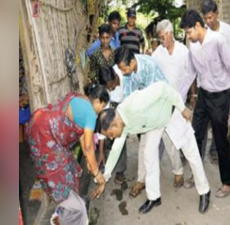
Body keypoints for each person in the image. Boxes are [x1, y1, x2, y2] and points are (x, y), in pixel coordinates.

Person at [99, 82, 211, 214]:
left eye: (110, 135)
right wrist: (105, 177)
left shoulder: (134, 105)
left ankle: (205, 191)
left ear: (114, 124)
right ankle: (154, 197)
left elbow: (163, 88)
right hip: (154, 124)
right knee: (148, 155)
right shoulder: (121, 125)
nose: (111, 138)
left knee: (191, 153)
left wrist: (182, 108)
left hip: (170, 114)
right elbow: (115, 151)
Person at [27, 84, 110, 224]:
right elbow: (90, 147)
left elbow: (83, 137)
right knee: (60, 177)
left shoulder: (81, 98)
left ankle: (62, 215)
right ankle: (66, 215)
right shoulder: (90, 113)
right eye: (102, 107)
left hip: (39, 125)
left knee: (70, 171)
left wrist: (88, 160)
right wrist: (97, 173)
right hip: (45, 137)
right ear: (98, 101)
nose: (100, 111)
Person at [180, 10, 230, 198]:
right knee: (194, 135)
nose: (188, 37)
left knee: (221, 139)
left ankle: (226, 181)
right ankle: (196, 175)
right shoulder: (194, 47)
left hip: (220, 97)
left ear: (198, 26)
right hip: (203, 96)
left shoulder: (218, 41)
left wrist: (229, 91)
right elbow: (190, 72)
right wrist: (180, 96)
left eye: (189, 32)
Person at [113, 46, 185, 197]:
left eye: (125, 69)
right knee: (144, 146)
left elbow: (155, 95)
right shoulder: (128, 74)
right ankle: (141, 180)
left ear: (132, 63)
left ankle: (178, 172)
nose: (124, 73)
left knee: (169, 140)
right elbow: (129, 96)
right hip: (147, 110)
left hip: (163, 104)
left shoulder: (149, 65)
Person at [200, 0, 230, 163]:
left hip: (225, 86)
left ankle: (215, 150)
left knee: (220, 121)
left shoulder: (227, 31)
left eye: (210, 17)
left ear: (217, 13)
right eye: (206, 19)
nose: (208, 22)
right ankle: (199, 152)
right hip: (208, 86)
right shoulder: (204, 33)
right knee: (204, 123)